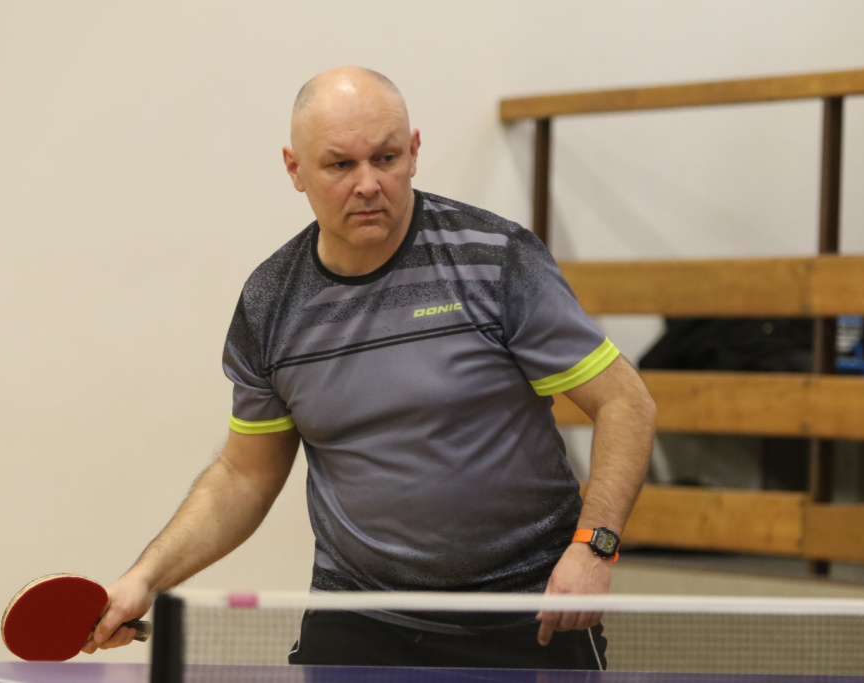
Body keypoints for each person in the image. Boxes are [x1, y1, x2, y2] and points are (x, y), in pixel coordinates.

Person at [84, 66, 656, 670]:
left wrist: (594, 547)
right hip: (359, 618)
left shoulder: (496, 260)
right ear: (294, 169)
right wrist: (146, 577)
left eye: (386, 158)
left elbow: (625, 403)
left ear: (414, 152)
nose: (367, 184)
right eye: (339, 165)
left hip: (526, 612)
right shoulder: (272, 302)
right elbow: (244, 475)